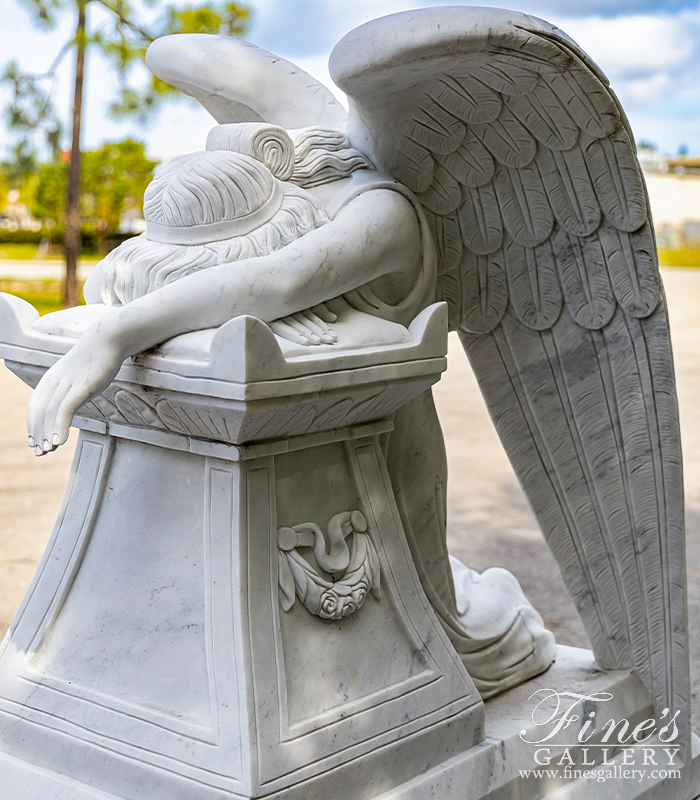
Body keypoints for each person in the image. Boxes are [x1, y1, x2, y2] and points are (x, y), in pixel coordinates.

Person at [27, 123, 555, 697]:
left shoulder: (378, 214)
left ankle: (487, 634)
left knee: (437, 614)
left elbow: (280, 280)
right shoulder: (240, 181)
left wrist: (118, 332)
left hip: (392, 425)